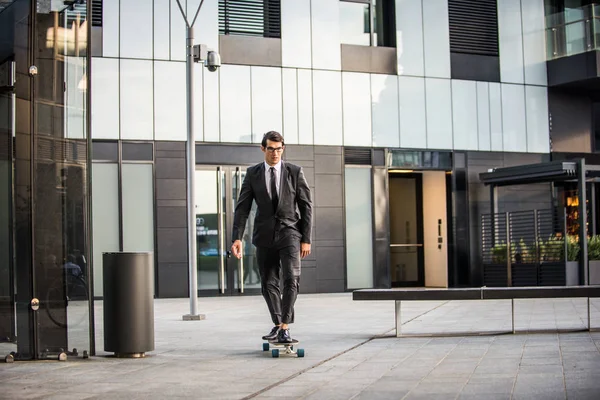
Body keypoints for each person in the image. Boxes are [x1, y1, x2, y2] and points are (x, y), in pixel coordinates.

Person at [231, 131, 313, 343]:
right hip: (264, 236)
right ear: (263, 149)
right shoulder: (253, 174)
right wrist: (237, 237)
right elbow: (242, 208)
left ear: (282, 148)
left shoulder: (295, 172)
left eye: (279, 149)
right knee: (268, 282)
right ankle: (277, 324)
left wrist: (306, 238)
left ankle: (285, 327)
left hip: (290, 233)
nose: (275, 153)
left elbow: (306, 206)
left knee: (291, 279)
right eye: (271, 149)